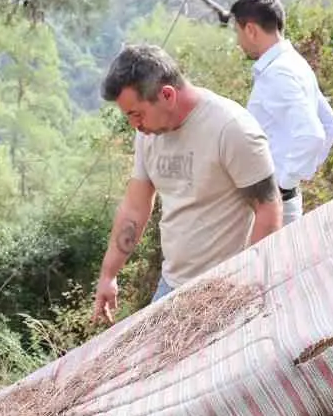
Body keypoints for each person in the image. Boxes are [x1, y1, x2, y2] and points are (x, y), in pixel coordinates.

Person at [92, 43, 282, 322]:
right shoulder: (147, 135)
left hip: (226, 288)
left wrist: (245, 288)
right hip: (171, 285)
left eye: (137, 114)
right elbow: (135, 208)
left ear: (167, 95)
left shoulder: (231, 129)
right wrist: (109, 274)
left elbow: (268, 211)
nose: (135, 125)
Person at [229, 0, 333, 224]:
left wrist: (281, 185)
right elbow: (331, 126)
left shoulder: (278, 72)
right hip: (283, 200)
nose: (238, 42)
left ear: (250, 30)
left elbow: (313, 134)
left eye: (237, 33)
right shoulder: (294, 63)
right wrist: (299, 174)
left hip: (274, 203)